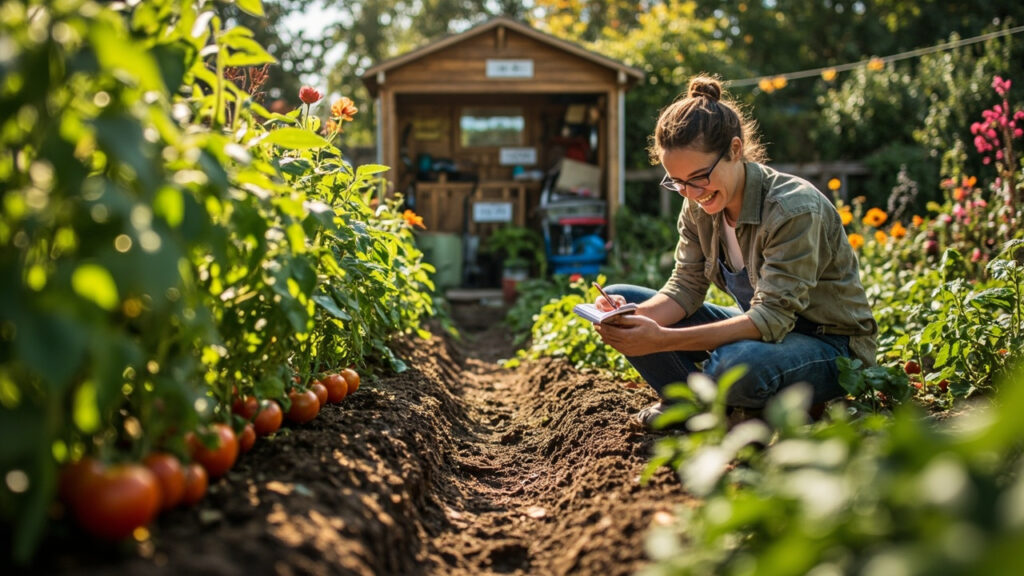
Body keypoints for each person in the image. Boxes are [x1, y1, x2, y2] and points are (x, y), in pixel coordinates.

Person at [593, 74, 877, 430]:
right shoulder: (698, 205)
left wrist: (662, 339)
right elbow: (686, 287)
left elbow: (771, 318)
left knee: (734, 363)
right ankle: (696, 408)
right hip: (765, 335)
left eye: (699, 177)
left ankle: (746, 410)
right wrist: (633, 318)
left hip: (829, 346)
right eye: (677, 182)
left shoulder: (793, 209)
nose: (691, 192)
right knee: (625, 299)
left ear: (735, 150)